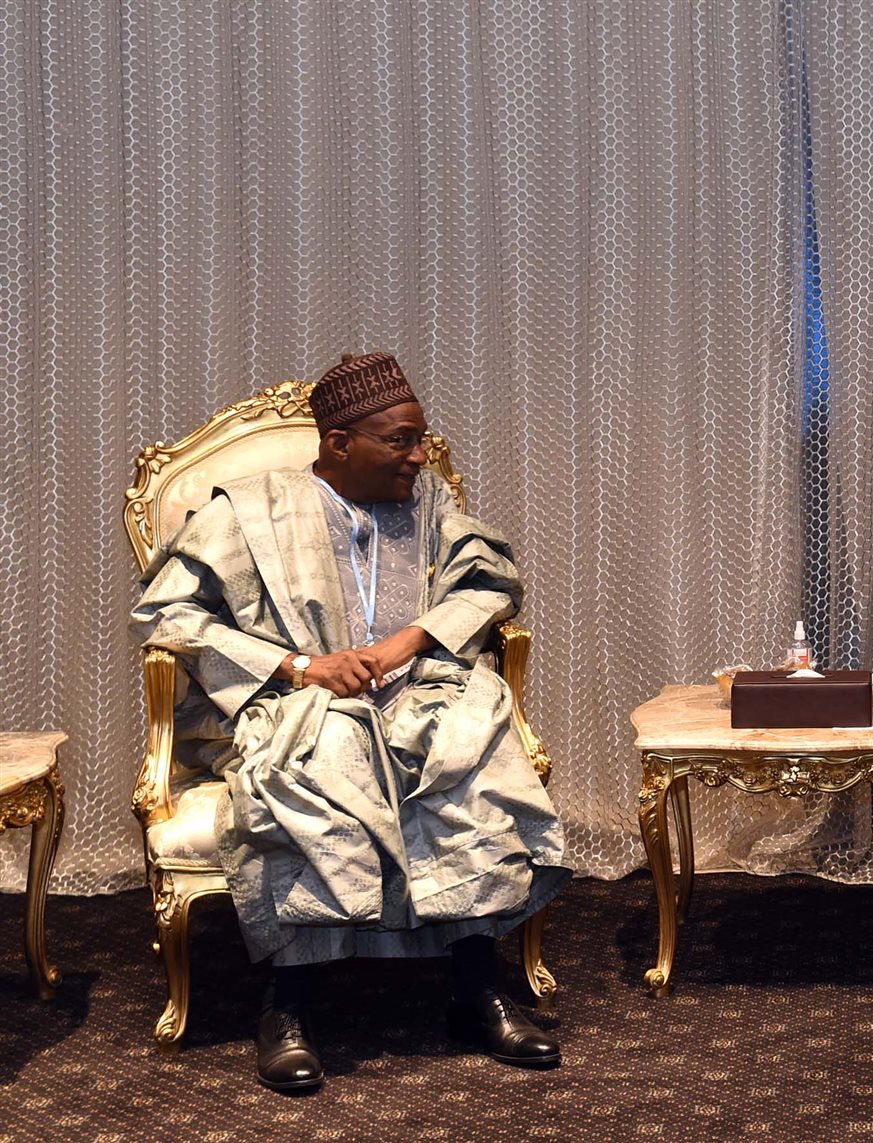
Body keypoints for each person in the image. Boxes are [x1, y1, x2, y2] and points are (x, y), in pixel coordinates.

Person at [132, 352, 571, 1092]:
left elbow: (489, 582)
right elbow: (168, 614)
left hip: (419, 689)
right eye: (401, 441)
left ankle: (474, 987)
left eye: (420, 439)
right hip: (301, 700)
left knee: (465, 754)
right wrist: (300, 666)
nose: (420, 456)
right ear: (339, 442)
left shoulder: (430, 504)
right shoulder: (247, 511)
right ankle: (288, 1003)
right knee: (324, 759)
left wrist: (408, 642)